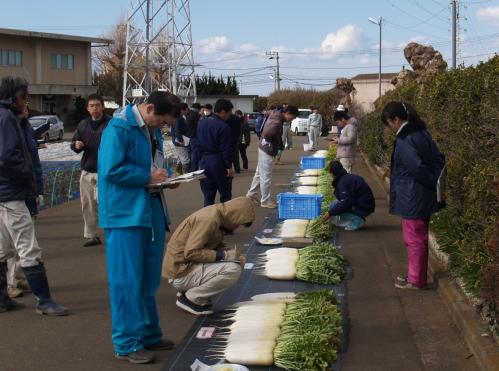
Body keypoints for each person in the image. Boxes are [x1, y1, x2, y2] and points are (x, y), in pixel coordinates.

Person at [98, 91, 181, 364]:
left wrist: (166, 177)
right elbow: (111, 170)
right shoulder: (119, 128)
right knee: (126, 281)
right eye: (161, 121)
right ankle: (126, 343)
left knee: (148, 279)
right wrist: (147, 177)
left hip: (150, 209)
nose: (162, 127)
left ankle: (148, 333)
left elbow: (155, 165)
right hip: (124, 215)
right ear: (148, 108)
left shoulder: (150, 129)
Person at [0, 76, 68, 316]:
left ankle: (2, 298)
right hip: (11, 193)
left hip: (4, 194)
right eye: (25, 96)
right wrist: (27, 176)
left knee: (3, 248)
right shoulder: (7, 118)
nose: (27, 101)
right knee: (28, 247)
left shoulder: (8, 117)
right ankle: (44, 300)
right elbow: (8, 156)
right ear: (15, 96)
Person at [382, 101, 445, 290]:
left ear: (396, 119)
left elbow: (416, 167)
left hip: (412, 196)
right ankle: (415, 275)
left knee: (413, 239)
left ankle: (416, 279)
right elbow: (438, 158)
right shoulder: (422, 133)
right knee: (420, 237)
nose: (390, 127)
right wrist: (435, 183)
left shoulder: (405, 140)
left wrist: (429, 181)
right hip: (423, 195)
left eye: (389, 122)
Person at [163, 197, 255, 315]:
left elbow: (211, 244)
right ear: (234, 216)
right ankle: (192, 298)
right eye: (238, 224)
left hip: (184, 267)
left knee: (236, 261)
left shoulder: (217, 215)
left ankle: (188, 290)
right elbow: (191, 252)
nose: (236, 227)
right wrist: (224, 255)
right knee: (233, 269)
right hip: (180, 272)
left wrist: (230, 254)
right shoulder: (209, 220)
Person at [7, 103, 44, 299]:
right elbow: (11, 161)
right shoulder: (8, 127)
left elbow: (34, 161)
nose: (25, 108)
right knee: (15, 242)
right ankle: (11, 282)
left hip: (27, 190)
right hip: (12, 194)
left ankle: (18, 276)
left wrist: (38, 188)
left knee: (24, 240)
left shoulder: (25, 128)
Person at [70, 94, 111, 247]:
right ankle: (91, 235)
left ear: (103, 106)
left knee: (104, 203)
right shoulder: (83, 125)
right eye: (91, 105)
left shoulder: (111, 124)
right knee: (87, 204)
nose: (95, 108)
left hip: (105, 171)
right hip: (87, 170)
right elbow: (74, 142)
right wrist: (76, 145)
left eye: (97, 105)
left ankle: (111, 232)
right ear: (87, 108)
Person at [246, 105, 299, 208]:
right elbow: (267, 134)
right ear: (288, 113)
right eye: (292, 118)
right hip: (267, 150)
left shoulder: (276, 115)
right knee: (266, 176)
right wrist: (272, 143)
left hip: (263, 147)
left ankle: (251, 195)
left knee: (259, 173)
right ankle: (265, 201)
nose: (291, 120)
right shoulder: (277, 121)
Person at [197, 99, 234, 206]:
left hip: (204, 161)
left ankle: (209, 221)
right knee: (225, 195)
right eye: (229, 113)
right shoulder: (223, 126)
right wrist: (229, 166)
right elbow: (226, 149)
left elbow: (196, 144)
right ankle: (226, 220)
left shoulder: (201, 123)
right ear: (223, 112)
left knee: (208, 196)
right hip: (218, 161)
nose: (229, 116)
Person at [323, 161, 375, 231]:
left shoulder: (343, 182)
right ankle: (346, 219)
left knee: (336, 209)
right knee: (333, 206)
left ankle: (357, 220)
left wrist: (330, 213)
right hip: (363, 203)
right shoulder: (345, 177)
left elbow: (346, 202)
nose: (329, 174)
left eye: (329, 172)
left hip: (365, 206)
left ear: (333, 173)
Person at [171, 103, 191, 174]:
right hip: (180, 141)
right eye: (186, 110)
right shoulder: (179, 118)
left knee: (180, 158)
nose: (187, 111)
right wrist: (181, 140)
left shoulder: (179, 117)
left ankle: (178, 172)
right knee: (185, 159)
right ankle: (186, 174)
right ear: (183, 110)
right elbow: (177, 130)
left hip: (178, 141)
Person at [187, 103, 201, 171]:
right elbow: (198, 125)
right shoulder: (195, 114)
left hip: (189, 136)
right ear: (198, 109)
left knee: (191, 152)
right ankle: (194, 169)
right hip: (194, 136)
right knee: (195, 153)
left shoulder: (188, 113)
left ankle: (191, 168)